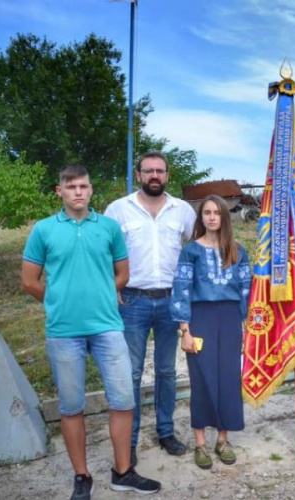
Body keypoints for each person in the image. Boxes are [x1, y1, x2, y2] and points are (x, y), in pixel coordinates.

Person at [21, 165, 161, 498]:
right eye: (71, 187)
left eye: (84, 186)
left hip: (108, 327)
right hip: (63, 331)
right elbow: (29, 281)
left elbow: (123, 274)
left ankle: (123, 471)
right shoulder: (43, 230)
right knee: (71, 406)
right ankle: (82, 476)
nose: (78, 192)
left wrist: (101, 293)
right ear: (60, 192)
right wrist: (57, 301)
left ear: (91, 189)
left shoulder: (109, 228)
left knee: (124, 400)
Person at [105, 151, 196, 465]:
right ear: (138, 173)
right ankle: (127, 441)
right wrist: (111, 287)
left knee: (167, 371)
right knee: (130, 373)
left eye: (160, 171)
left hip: (171, 300)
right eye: (148, 171)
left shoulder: (182, 211)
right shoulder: (118, 209)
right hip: (132, 300)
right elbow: (103, 252)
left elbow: (198, 247)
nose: (154, 176)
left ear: (167, 175)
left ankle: (166, 431)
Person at [170, 195, 251, 469]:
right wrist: (185, 330)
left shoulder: (238, 250)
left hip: (229, 319)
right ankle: (201, 443)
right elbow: (181, 289)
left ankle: (223, 439)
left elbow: (245, 291)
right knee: (203, 379)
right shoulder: (190, 251)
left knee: (228, 379)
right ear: (201, 217)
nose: (212, 217)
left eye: (217, 212)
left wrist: (247, 326)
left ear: (224, 217)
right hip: (200, 318)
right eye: (207, 212)